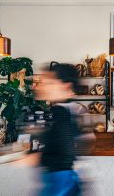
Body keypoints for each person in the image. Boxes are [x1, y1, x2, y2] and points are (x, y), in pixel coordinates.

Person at [34, 64, 83, 196]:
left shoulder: (59, 112)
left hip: (60, 184)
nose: (40, 86)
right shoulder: (69, 108)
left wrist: (33, 158)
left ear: (65, 86)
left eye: (49, 82)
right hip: (62, 182)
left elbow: (66, 154)